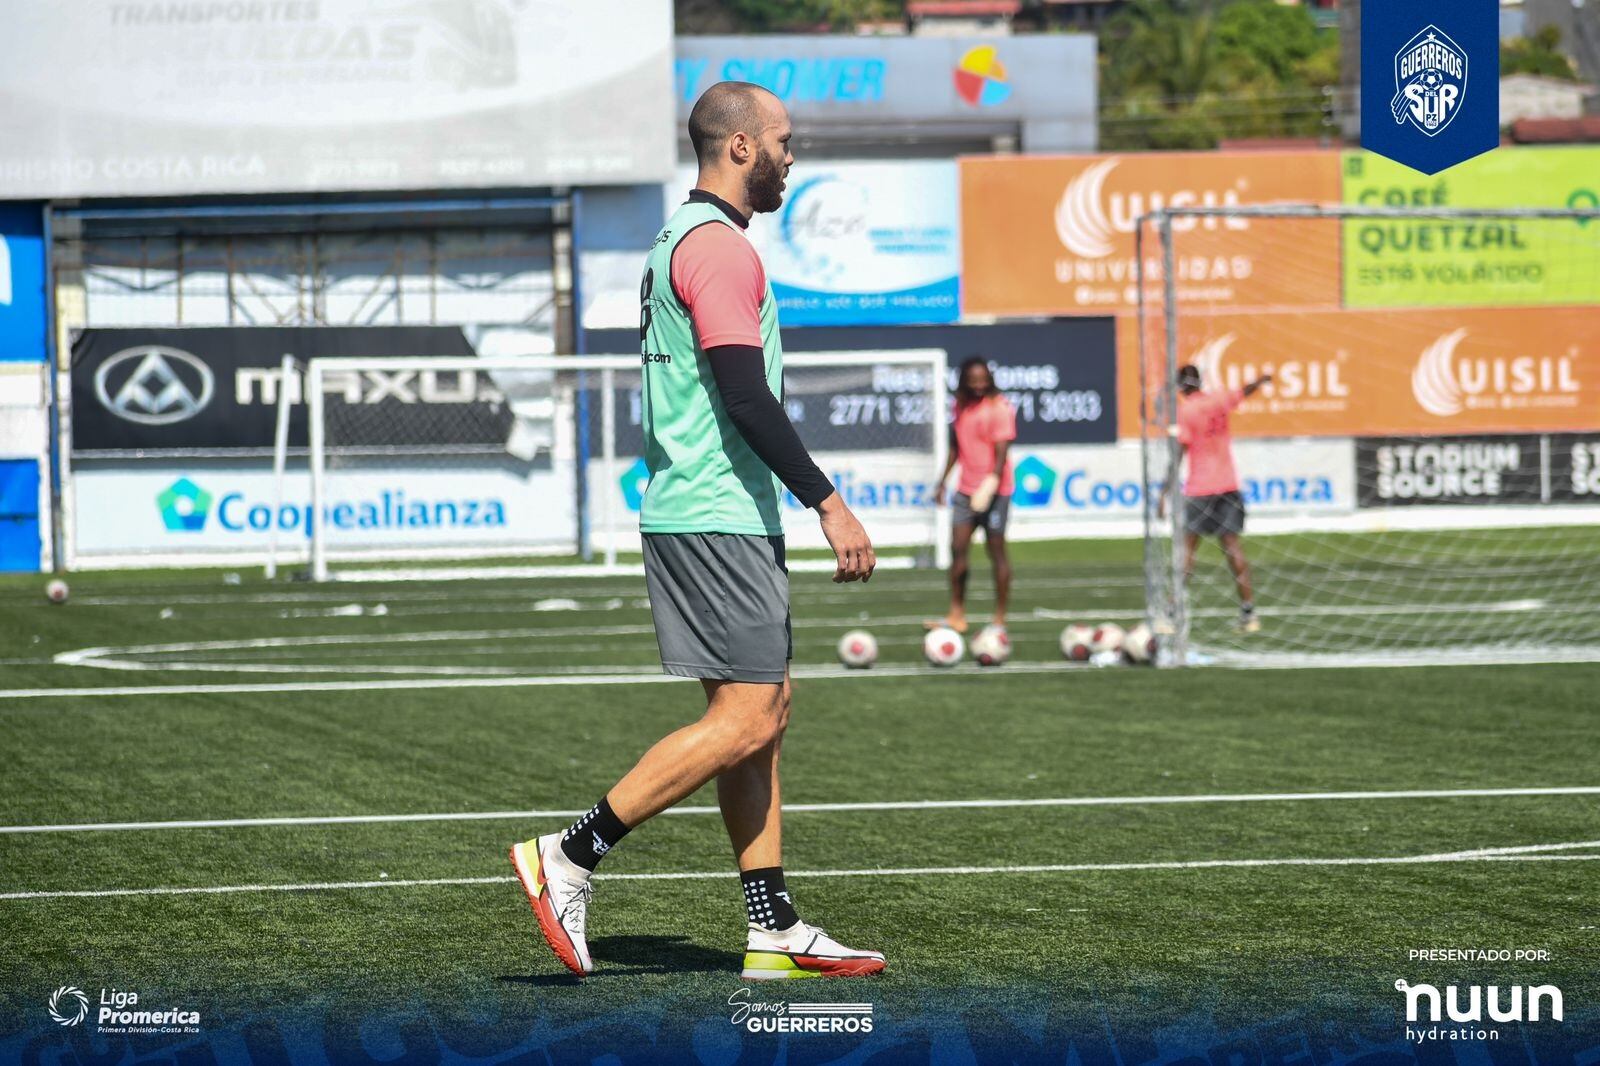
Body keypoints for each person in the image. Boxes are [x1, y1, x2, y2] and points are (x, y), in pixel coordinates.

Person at [508, 81, 885, 982]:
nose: (795, 155)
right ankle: (569, 855)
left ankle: (773, 927)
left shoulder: (684, 238)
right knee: (749, 714)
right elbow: (744, 393)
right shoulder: (718, 249)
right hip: (716, 514)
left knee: (762, 717)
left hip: (712, 510)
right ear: (743, 148)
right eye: (785, 140)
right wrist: (827, 500)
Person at [1172, 363, 1271, 633]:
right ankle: (1249, 613)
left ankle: (1172, 611)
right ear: (1200, 381)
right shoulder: (1218, 400)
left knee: (1188, 549)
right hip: (1228, 484)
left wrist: (1165, 488)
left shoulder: (1185, 411)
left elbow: (1181, 449)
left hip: (1200, 487)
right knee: (1233, 548)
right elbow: (1243, 391)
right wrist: (1260, 380)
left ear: (1181, 386)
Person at [929, 357, 1016, 636]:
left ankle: (999, 619)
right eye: (973, 380)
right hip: (966, 490)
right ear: (965, 381)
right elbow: (956, 447)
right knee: (958, 549)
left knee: (996, 550)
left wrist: (989, 485)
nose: (979, 385)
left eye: (983, 379)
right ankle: (956, 613)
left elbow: (1002, 454)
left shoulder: (998, 407)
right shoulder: (961, 405)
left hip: (994, 491)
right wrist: (943, 481)